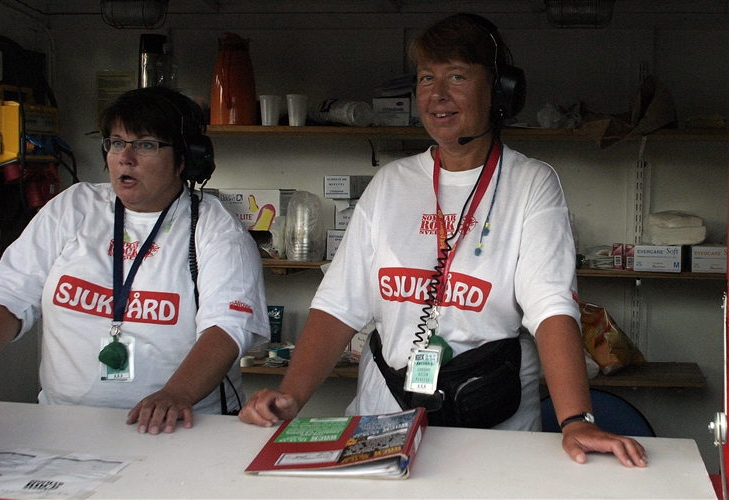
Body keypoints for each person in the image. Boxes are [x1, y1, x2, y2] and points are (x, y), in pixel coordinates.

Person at [239, 13, 648, 468]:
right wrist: (290, 397)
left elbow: (552, 307)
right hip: (383, 420)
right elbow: (338, 305)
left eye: (456, 76)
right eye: (426, 78)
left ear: (499, 91)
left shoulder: (531, 184)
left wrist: (576, 418)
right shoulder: (390, 184)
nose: (437, 94)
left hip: (491, 431)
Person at [0, 85, 270, 435]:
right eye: (117, 142)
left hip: (181, 425)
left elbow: (227, 328)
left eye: (146, 144)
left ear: (185, 159)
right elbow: (8, 297)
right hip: (64, 424)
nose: (125, 158)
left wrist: (176, 394)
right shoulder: (72, 208)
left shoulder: (215, 229)